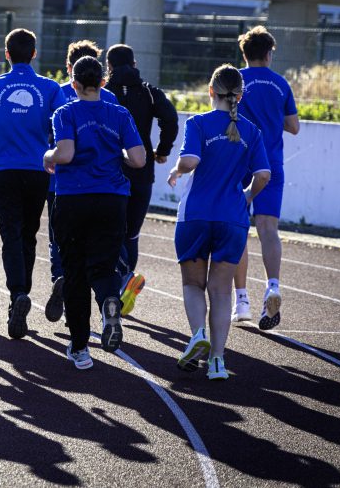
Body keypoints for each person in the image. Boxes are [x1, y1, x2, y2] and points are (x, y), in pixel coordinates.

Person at [167, 64, 271, 380]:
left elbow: (190, 160)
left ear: (211, 91)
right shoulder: (252, 132)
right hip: (232, 218)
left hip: (196, 216)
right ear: (241, 95)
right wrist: (247, 196)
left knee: (192, 284)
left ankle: (198, 333)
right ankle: (217, 361)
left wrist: (177, 170)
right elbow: (263, 175)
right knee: (222, 291)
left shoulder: (198, 123)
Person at [44, 57, 145, 370]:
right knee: (103, 266)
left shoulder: (65, 112)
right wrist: (118, 156)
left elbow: (66, 153)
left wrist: (48, 156)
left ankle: (80, 347)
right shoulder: (120, 113)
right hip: (112, 199)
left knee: (74, 272)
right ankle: (109, 303)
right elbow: (139, 159)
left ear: (74, 84)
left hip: (73, 198)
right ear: (102, 82)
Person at [0, 28, 65, 339]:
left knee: (11, 235)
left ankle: (17, 294)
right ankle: (22, 293)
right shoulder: (50, 88)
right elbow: (62, 124)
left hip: (5, 169)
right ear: (34, 53)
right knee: (29, 235)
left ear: (6, 54)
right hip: (38, 170)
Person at [44, 40, 119, 324]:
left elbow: (52, 139)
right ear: (101, 74)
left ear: (69, 68)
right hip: (106, 186)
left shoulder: (59, 95)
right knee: (100, 248)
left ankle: (61, 280)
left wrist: (48, 156)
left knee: (61, 243)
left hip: (65, 186)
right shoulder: (110, 99)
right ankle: (106, 296)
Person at [104, 43, 179, 316]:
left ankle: (120, 282)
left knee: (109, 231)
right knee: (132, 233)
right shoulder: (148, 92)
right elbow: (171, 119)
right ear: (134, 64)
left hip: (111, 169)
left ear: (109, 66)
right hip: (142, 168)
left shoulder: (104, 92)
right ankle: (125, 286)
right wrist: (163, 150)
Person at [232, 26, 300, 330]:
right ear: (269, 54)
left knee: (237, 226)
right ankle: (272, 285)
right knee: (268, 229)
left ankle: (241, 300)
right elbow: (294, 126)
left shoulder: (235, 79)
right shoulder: (281, 83)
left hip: (238, 161)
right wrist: (272, 118)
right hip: (271, 162)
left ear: (244, 53)